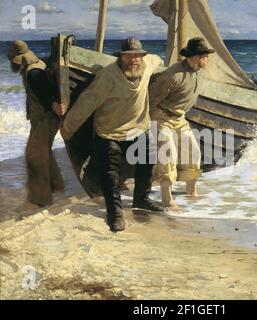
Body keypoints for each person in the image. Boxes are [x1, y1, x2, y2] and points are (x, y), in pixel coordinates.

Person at [59, 37, 164, 232]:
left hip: (138, 128)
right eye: (128, 56)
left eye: (137, 56)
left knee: (148, 161)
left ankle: (141, 199)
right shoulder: (108, 76)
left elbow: (157, 58)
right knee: (110, 175)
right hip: (109, 132)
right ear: (121, 57)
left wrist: (163, 63)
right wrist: (67, 129)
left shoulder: (147, 65)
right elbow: (85, 104)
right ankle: (114, 212)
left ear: (142, 57)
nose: (134, 60)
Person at [149, 37, 215, 209]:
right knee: (168, 154)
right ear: (194, 57)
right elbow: (151, 99)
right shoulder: (173, 76)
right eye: (204, 56)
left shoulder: (200, 72)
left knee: (193, 152)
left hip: (180, 119)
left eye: (206, 56)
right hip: (161, 117)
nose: (206, 60)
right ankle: (167, 199)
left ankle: (191, 192)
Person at [7, 40, 64, 211]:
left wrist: (55, 106)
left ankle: (39, 200)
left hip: (45, 119)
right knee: (42, 151)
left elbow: (49, 95)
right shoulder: (37, 64)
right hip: (43, 118)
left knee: (33, 156)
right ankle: (56, 186)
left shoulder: (33, 74)